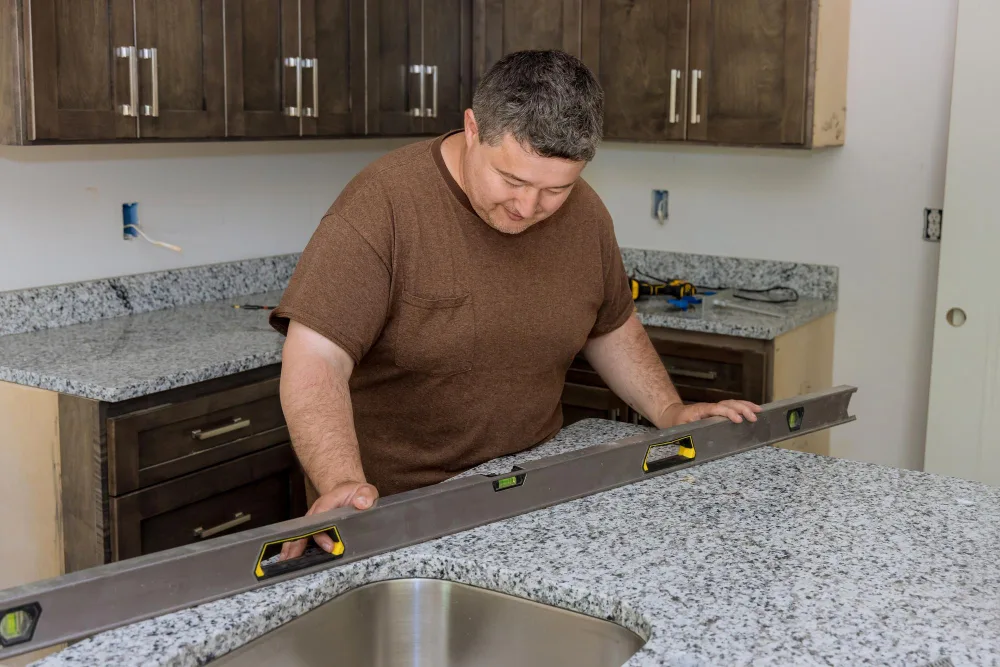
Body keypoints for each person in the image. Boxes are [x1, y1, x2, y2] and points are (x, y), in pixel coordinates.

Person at [269, 50, 760, 558]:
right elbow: (315, 360)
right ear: (473, 128)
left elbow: (611, 326)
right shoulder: (384, 206)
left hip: (533, 496)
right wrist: (342, 483)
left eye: (556, 190)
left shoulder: (586, 215)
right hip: (396, 513)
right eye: (513, 180)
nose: (529, 208)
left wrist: (670, 410)